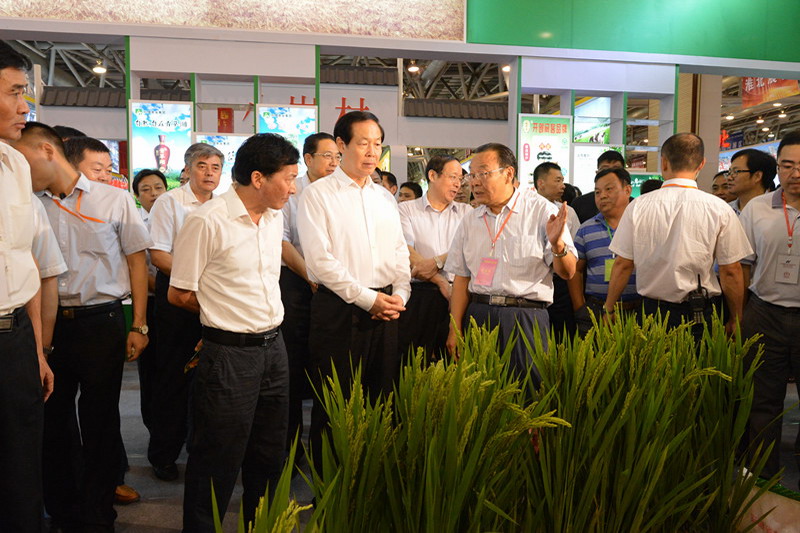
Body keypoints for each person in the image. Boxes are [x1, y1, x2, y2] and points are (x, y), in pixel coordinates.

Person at [15, 121, 151, 531]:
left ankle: (98, 514)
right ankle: (64, 510)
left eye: (21, 158)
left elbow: (137, 262)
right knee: (53, 421)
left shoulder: (114, 199)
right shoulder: (30, 203)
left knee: (101, 422)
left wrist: (139, 324)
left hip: (101, 322)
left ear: (46, 151)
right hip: (48, 325)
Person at [168, 133, 297, 531]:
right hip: (229, 355)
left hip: (274, 348)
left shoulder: (273, 218)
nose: (292, 188)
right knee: (217, 458)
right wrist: (223, 312)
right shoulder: (207, 221)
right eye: (289, 178)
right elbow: (179, 293)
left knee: (270, 454)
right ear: (258, 178)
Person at [297, 111, 410, 459]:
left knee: (381, 398)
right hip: (339, 310)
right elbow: (319, 261)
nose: (372, 152)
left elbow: (399, 252)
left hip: (387, 310)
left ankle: (370, 481)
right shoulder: (317, 195)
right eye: (363, 143)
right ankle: (330, 484)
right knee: (335, 403)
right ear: (341, 145)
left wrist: (400, 295)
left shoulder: (384, 198)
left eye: (377, 144)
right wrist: (367, 299)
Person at [445, 142, 576, 385]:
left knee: (529, 395)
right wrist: (455, 328)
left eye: (483, 173)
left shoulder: (540, 211)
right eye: (471, 175)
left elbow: (568, 272)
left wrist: (558, 245)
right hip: (478, 316)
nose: (474, 182)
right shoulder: (470, 221)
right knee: (478, 397)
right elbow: (462, 278)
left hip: (525, 317)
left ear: (508, 173)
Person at [603, 133, 752, 338]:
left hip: (651, 312)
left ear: (663, 163)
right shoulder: (719, 208)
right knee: (698, 359)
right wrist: (736, 318)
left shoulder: (638, 206)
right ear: (701, 164)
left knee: (651, 360)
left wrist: (609, 308)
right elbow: (731, 271)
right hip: (699, 312)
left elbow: (623, 264)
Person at [0, 43, 54, 533]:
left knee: (21, 463)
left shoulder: (14, 165)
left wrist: (36, 350)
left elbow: (27, 262)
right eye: (15, 93)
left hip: (14, 335)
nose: (25, 107)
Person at [147, 143, 223, 481]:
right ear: (188, 169)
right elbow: (158, 255)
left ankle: (201, 450)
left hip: (215, 296)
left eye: (215, 167)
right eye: (202, 166)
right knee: (173, 378)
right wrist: (194, 277)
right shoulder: (170, 202)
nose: (209, 173)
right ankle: (164, 454)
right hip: (178, 296)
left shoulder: (223, 205)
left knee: (210, 380)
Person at [738, 130, 800, 484]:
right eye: (787, 165)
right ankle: (763, 482)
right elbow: (742, 266)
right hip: (765, 314)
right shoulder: (757, 209)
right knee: (762, 402)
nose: (795, 173)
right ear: (777, 167)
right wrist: (740, 314)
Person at [279, 132, 339, 462]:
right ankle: (289, 446)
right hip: (297, 284)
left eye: (337, 156)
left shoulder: (339, 193)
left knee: (326, 365)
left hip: (334, 287)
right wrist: (311, 277)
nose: (334, 162)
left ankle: (323, 445)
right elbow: (283, 242)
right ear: (308, 159)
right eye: (327, 156)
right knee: (291, 366)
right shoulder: (293, 191)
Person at [398, 155, 472, 360]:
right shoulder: (406, 209)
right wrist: (440, 281)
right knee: (414, 362)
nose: (458, 184)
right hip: (419, 296)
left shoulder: (467, 213)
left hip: (458, 295)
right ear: (432, 175)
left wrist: (439, 261)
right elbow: (405, 250)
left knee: (453, 361)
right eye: (453, 177)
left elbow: (469, 249)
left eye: (461, 179)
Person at [567, 168, 638, 336]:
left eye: (609, 189)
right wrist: (580, 308)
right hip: (595, 310)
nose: (602, 196)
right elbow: (575, 270)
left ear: (627, 190)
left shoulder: (641, 225)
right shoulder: (585, 229)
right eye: (597, 192)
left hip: (637, 310)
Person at [131, 169, 168, 435]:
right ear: (137, 195)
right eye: (146, 189)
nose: (153, 194)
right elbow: (137, 270)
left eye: (158, 187)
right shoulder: (135, 223)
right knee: (152, 370)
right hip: (150, 303)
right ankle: (155, 426)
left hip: (178, 302)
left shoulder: (175, 216)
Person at [533, 161, 580, 341]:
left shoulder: (569, 212)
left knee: (561, 335)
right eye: (557, 181)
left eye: (562, 181)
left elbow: (575, 251)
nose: (563, 186)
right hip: (534, 283)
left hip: (560, 282)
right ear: (541, 183)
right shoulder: (526, 210)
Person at [570, 150, 625, 222]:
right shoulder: (579, 204)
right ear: (597, 173)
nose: (611, 174)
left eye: (616, 169)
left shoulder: (634, 205)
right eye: (605, 170)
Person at [727, 148, 776, 215]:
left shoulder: (776, 211)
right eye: (729, 172)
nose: (729, 178)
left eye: (736, 171)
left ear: (757, 176)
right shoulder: (725, 210)